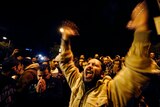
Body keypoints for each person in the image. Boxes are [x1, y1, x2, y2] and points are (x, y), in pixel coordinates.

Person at [56, 1, 160, 107]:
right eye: (88, 64)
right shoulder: (77, 82)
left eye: (95, 65)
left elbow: (134, 68)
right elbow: (65, 63)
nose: (89, 66)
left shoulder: (111, 90)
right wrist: (65, 39)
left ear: (102, 73)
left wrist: (141, 30)